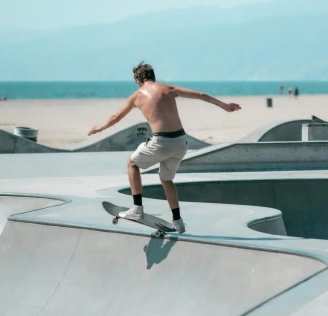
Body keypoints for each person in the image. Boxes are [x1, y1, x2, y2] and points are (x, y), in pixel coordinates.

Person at [88, 62, 241, 233]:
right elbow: (201, 95)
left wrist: (100, 127)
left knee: (132, 163)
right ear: (153, 76)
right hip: (182, 142)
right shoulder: (168, 88)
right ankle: (178, 222)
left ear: (138, 80)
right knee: (166, 179)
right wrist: (225, 106)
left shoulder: (137, 96)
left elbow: (116, 117)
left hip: (163, 142)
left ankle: (137, 209)